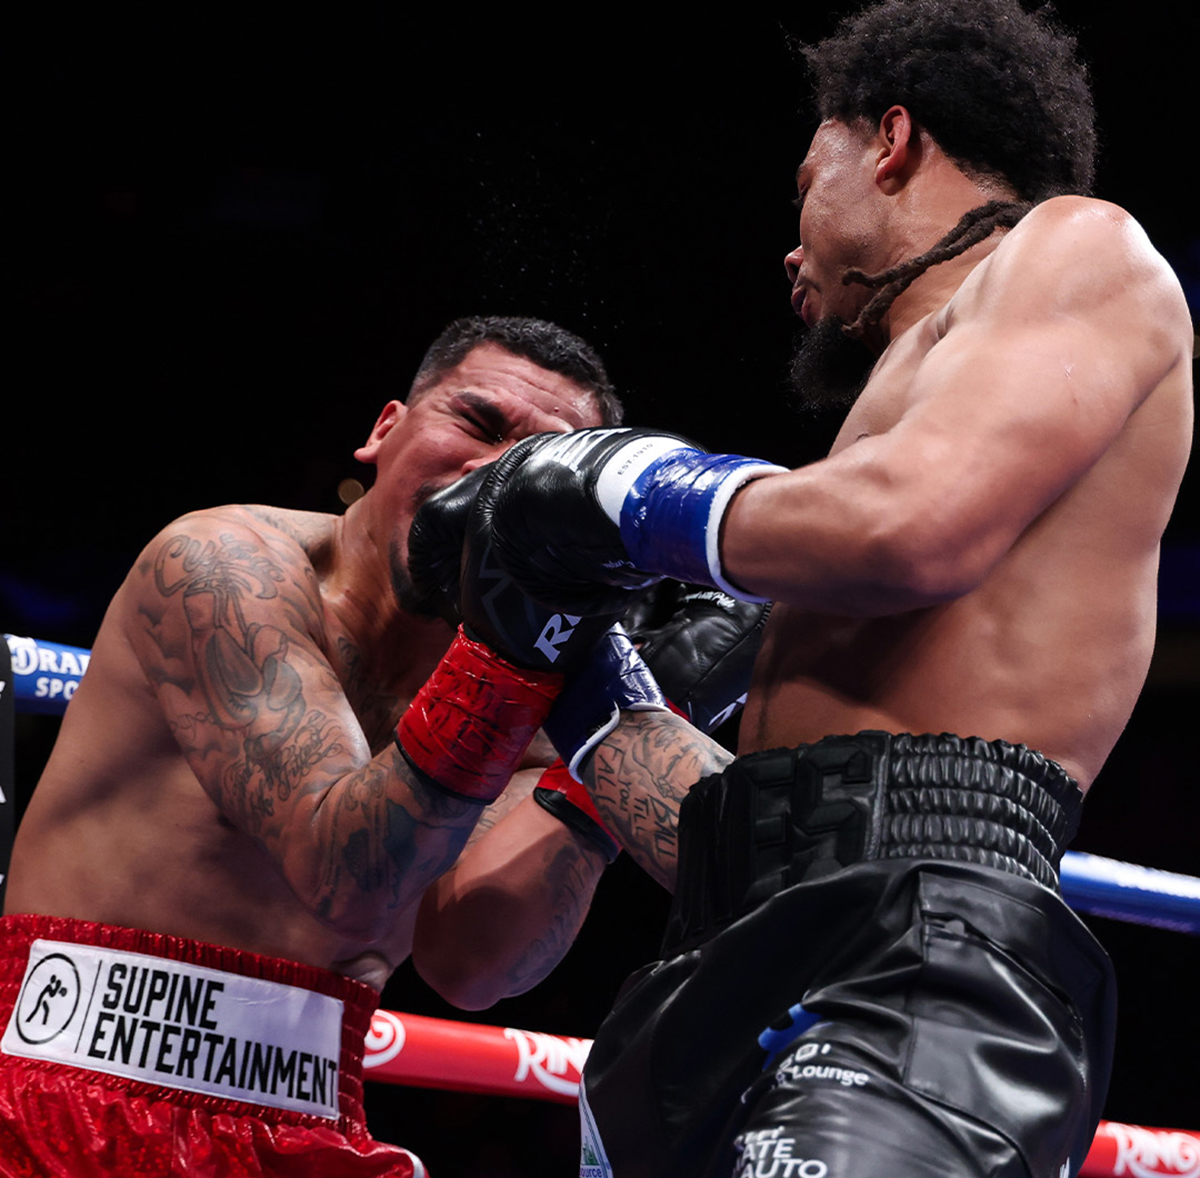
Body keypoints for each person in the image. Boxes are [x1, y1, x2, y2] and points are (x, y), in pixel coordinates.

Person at [462, 2, 1195, 1175]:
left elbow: (913, 533)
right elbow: (763, 827)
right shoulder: (872, 439)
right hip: (731, 954)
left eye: (811, 176)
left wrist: (601, 480)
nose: (790, 248)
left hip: (918, 954)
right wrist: (584, 663)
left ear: (891, 142)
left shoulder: (1075, 250)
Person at [0, 315, 629, 1177]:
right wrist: (519, 665)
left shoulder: (514, 684)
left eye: (535, 470)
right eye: (476, 425)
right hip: (70, 1089)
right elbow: (345, 872)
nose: (491, 475)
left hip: (313, 1121)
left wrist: (607, 748)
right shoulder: (224, 567)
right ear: (384, 430)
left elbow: (476, 966)